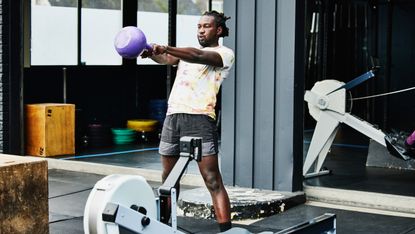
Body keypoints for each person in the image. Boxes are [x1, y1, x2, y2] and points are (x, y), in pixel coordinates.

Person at [142, 10, 235, 232]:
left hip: (200, 118)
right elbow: (166, 58)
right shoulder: (185, 54)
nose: (201, 30)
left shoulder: (224, 53)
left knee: (212, 181)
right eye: (199, 27)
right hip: (173, 117)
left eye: (206, 26)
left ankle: (227, 231)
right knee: (169, 181)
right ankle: (166, 227)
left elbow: (198, 56)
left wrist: (165, 46)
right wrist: (148, 50)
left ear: (218, 30)